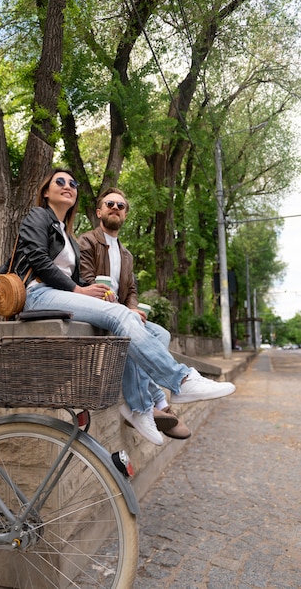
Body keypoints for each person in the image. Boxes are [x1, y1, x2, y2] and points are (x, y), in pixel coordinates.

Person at [16, 168, 235, 446]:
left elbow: (95, 283)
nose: (68, 185)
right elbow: (38, 259)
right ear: (46, 191)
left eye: (73, 183)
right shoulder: (39, 216)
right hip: (36, 294)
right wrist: (82, 290)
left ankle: (142, 408)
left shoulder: (68, 236)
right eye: (60, 181)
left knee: (153, 332)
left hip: (59, 295)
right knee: (121, 316)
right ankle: (177, 384)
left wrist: (92, 293)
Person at [78, 187, 191, 441]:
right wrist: (114, 303)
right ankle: (146, 406)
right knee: (131, 333)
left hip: (121, 312)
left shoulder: (126, 254)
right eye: (110, 204)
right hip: (98, 313)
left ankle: (154, 402)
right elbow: (84, 278)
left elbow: (131, 289)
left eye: (120, 205)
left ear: (126, 214)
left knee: (161, 334)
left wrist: (132, 307)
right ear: (99, 212)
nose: (115, 208)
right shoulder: (87, 241)